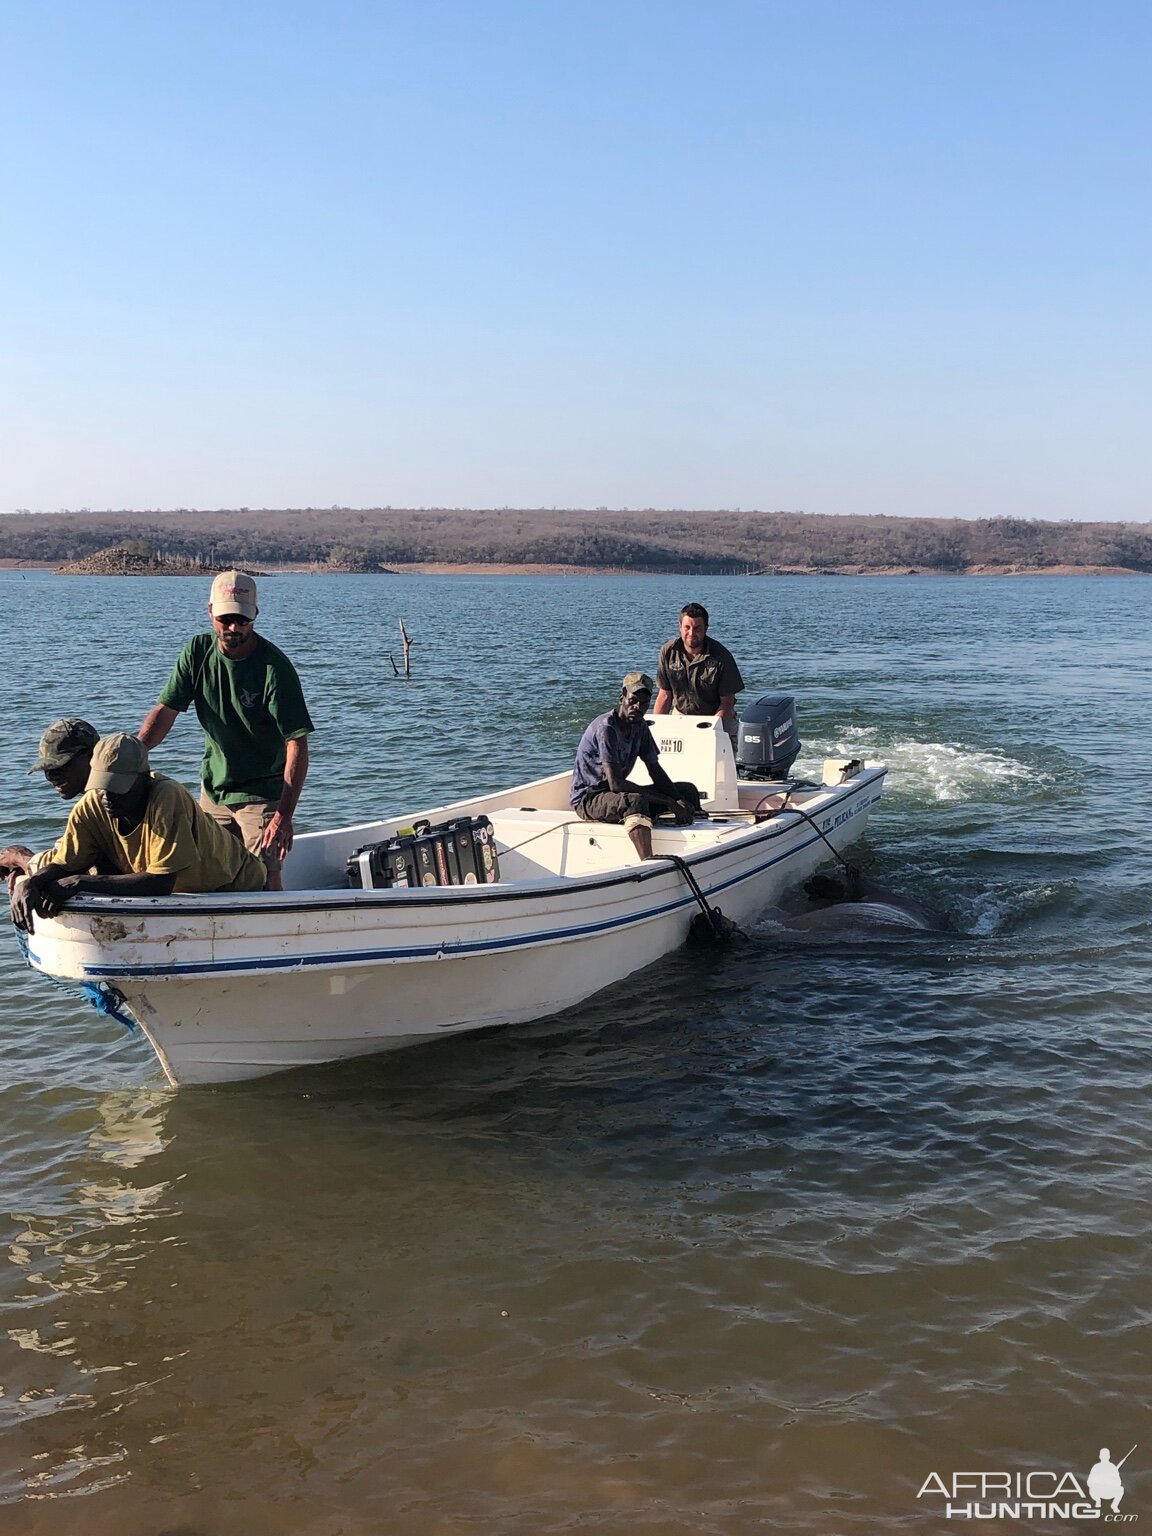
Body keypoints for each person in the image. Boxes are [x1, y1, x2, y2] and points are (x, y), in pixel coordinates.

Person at [137, 570, 314, 892]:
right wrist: (133, 753)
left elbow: (297, 744)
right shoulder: (196, 651)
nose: (233, 627)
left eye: (242, 620)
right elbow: (166, 711)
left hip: (263, 794)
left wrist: (283, 816)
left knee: (263, 873)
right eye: (226, 618)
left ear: (255, 616)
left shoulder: (275, 670)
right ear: (210, 612)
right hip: (214, 790)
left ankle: (275, 935)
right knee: (209, 872)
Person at [10, 733, 266, 934]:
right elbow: (66, 862)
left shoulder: (166, 796)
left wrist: (81, 883)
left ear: (144, 779)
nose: (108, 798)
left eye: (118, 788)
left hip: (235, 889)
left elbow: (160, 882)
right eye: (102, 787)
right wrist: (33, 883)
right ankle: (14, 859)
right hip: (188, 898)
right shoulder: (91, 805)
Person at [570, 672, 702, 862]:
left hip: (614, 796)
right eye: (633, 701)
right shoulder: (606, 729)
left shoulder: (640, 726)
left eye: (644, 703)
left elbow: (654, 769)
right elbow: (616, 784)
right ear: (622, 697)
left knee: (687, 791)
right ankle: (647, 861)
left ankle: (700, 843)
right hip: (590, 798)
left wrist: (678, 799)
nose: (637, 707)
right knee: (635, 801)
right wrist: (668, 802)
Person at [0, 718, 102, 889]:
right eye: (48, 770)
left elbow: (65, 863)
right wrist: (30, 869)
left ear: (91, 755)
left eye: (60, 765)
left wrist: (18, 857)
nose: (52, 776)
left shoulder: (101, 802)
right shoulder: (105, 795)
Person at [653, 602, 745, 741]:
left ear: (706, 628)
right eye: (687, 627)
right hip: (681, 715)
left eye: (697, 628)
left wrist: (710, 731)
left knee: (721, 760)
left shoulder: (721, 656)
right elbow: (665, 695)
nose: (691, 633)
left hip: (716, 717)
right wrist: (655, 731)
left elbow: (727, 702)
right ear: (680, 627)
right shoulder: (668, 652)